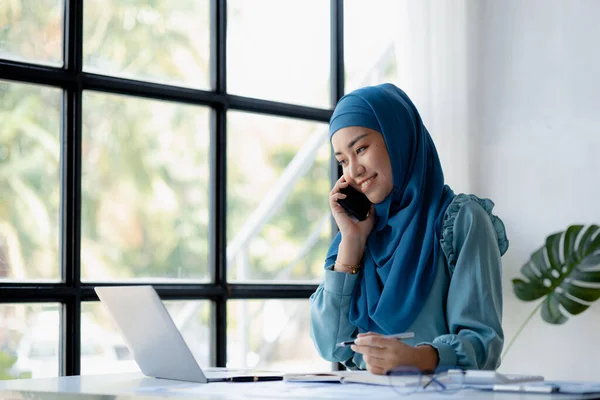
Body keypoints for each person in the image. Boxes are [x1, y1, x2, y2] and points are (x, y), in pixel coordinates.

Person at [309, 83, 508, 375]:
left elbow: (482, 345)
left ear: (397, 139)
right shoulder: (359, 232)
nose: (354, 170)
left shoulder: (460, 221)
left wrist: (417, 358)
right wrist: (351, 242)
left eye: (361, 149)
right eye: (343, 161)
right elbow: (331, 345)